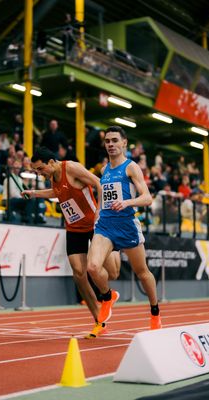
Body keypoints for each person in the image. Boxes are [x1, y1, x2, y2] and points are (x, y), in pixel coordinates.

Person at [24, 147, 121, 338]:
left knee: (113, 272)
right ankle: (99, 321)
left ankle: (109, 291)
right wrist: (34, 193)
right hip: (74, 228)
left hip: (96, 224)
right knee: (78, 273)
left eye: (41, 169)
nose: (39, 173)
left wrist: (101, 212)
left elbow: (99, 184)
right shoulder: (53, 175)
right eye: (36, 171)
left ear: (51, 162)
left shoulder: (72, 168)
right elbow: (58, 192)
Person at [86, 126, 162, 330]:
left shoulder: (131, 167)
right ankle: (107, 296)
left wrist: (127, 203)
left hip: (127, 225)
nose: (110, 144)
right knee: (92, 267)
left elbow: (147, 198)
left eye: (114, 140)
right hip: (105, 226)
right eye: (107, 141)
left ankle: (155, 311)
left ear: (124, 143)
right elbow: (102, 198)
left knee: (142, 272)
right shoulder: (103, 170)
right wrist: (96, 218)